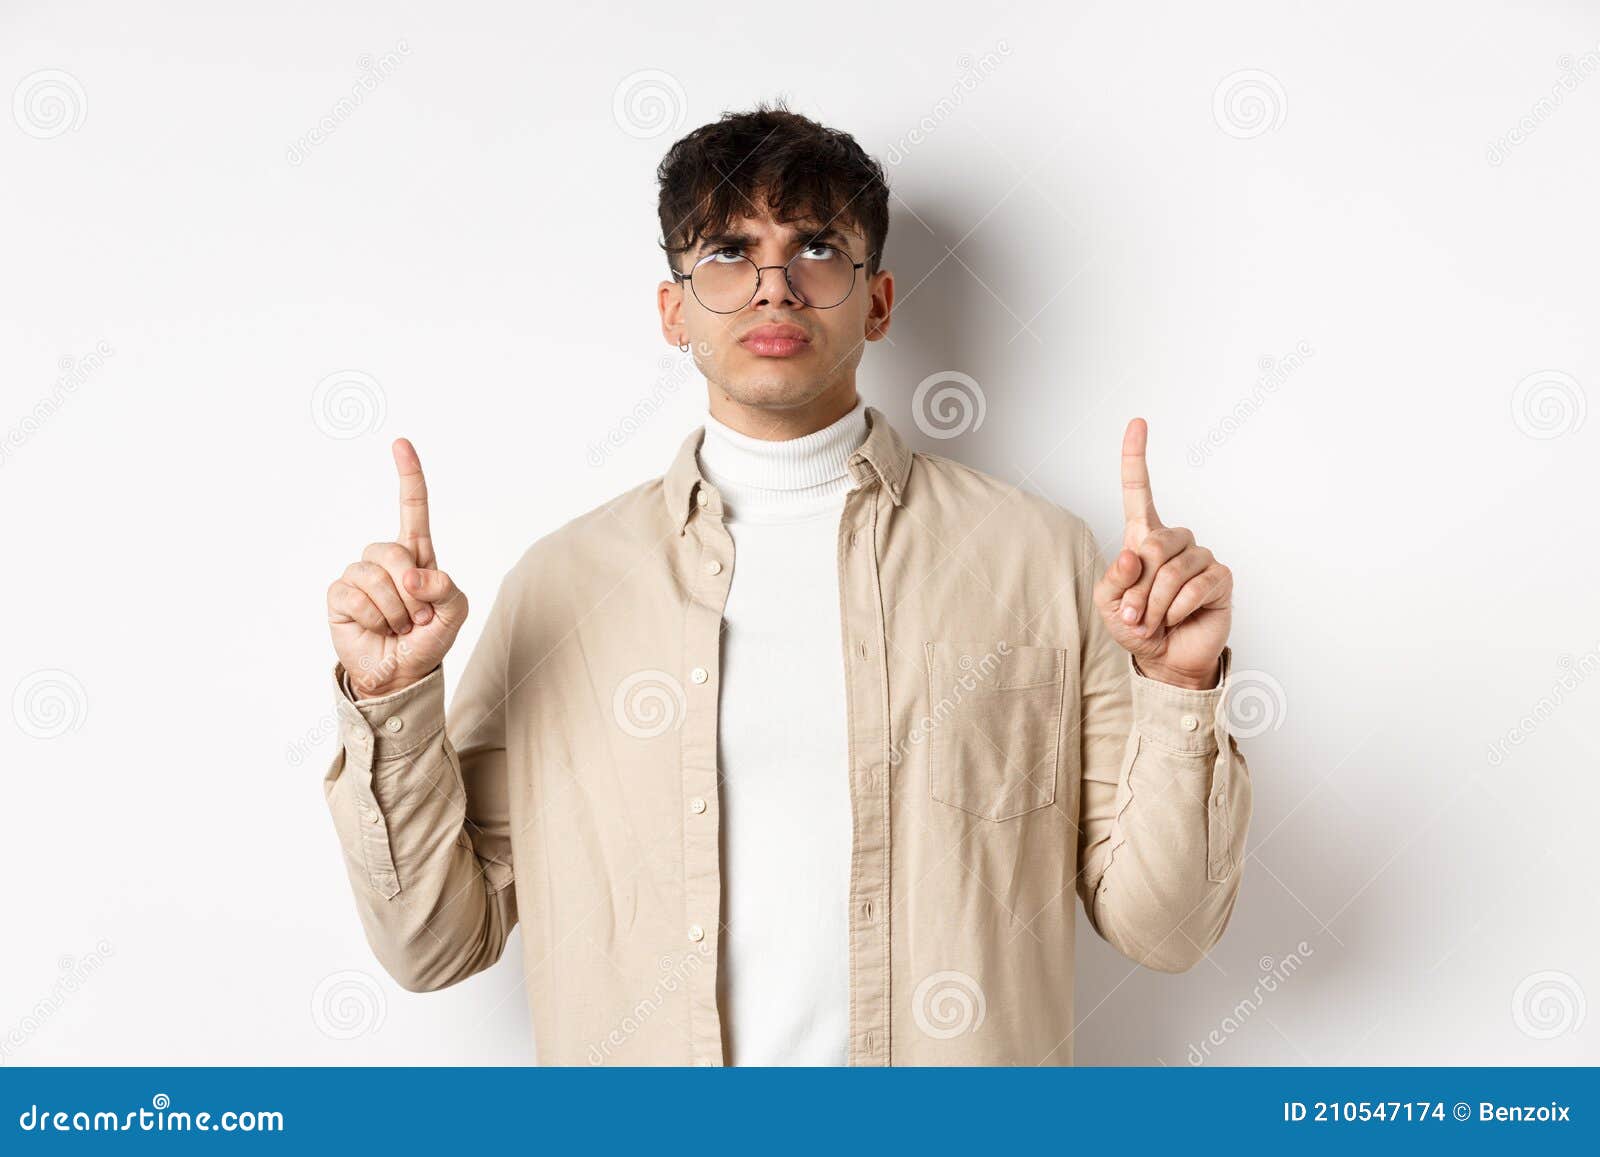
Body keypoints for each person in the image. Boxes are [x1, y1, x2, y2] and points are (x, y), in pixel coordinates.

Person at [322, 101, 1251, 1066]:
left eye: (816, 248)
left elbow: (1167, 931)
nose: (774, 289)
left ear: (878, 301)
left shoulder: (1038, 559)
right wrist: (394, 700)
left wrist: (1180, 688)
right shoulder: (565, 587)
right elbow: (434, 945)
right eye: (728, 251)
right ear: (674, 308)